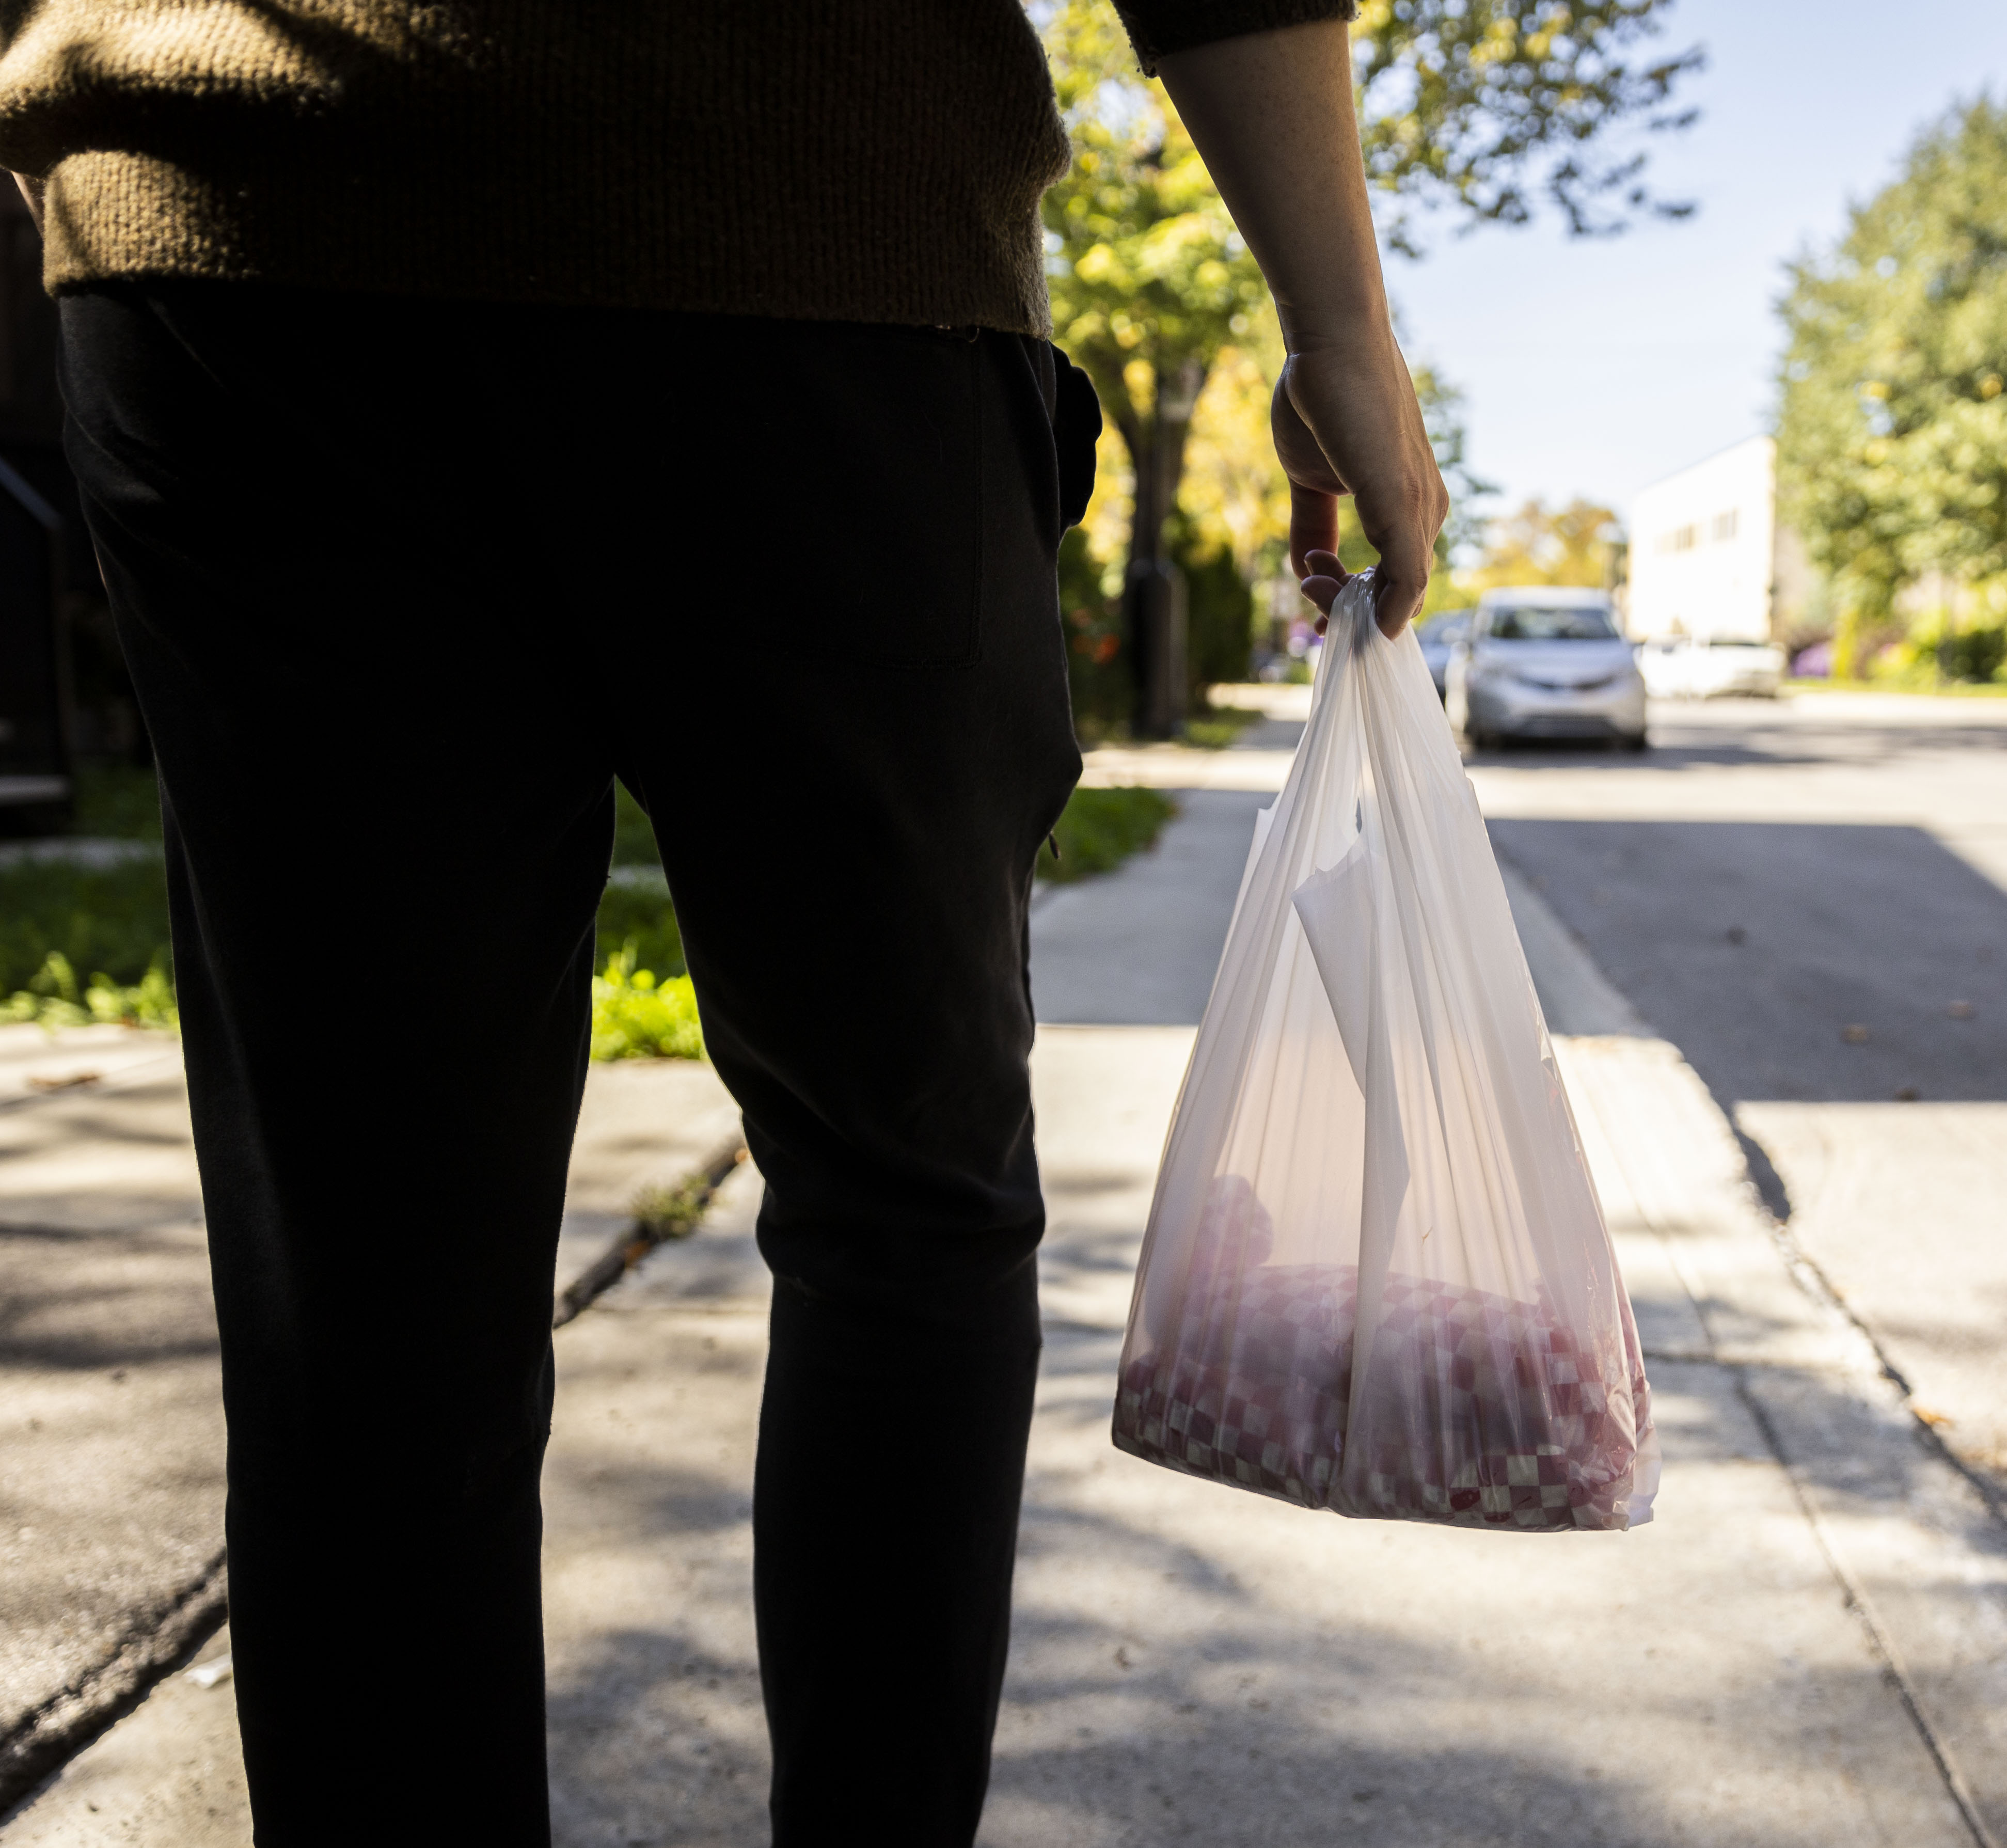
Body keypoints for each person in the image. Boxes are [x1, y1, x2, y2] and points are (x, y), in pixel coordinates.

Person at [0, 4, 1445, 1843]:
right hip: (805, 216)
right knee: (900, 1196)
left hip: (243, 235)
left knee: (362, 1268)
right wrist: (1340, 323)